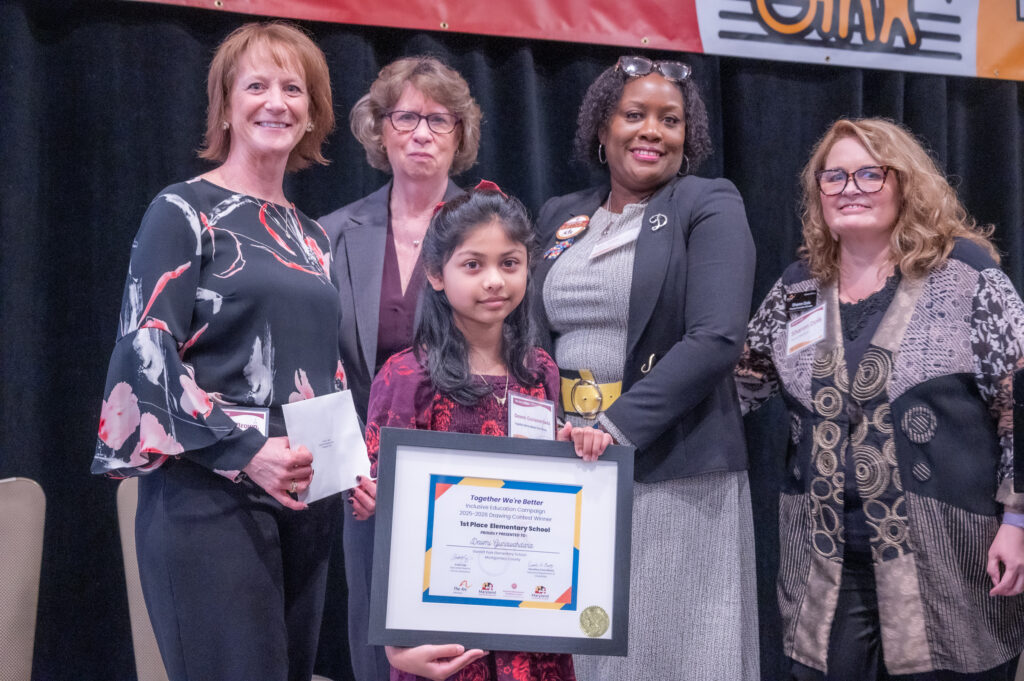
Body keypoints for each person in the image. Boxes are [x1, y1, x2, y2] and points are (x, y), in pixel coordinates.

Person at [92, 22, 342, 681]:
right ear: (226, 106)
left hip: (305, 500)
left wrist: (353, 463)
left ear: (312, 109)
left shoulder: (313, 236)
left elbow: (322, 367)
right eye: (256, 85)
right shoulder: (182, 209)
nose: (276, 102)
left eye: (293, 88)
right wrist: (246, 453)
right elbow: (146, 357)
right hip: (208, 496)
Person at [735, 118, 1024, 680]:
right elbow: (738, 392)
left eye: (870, 173)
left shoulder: (967, 277)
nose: (850, 188)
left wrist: (1019, 521)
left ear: (905, 184)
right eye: (834, 177)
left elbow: (1020, 402)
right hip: (825, 563)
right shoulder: (796, 290)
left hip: (951, 565)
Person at [532, 56, 760, 681]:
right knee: (581, 653)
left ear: (690, 138)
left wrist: (616, 427)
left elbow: (716, 337)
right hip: (567, 462)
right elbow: (530, 334)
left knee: (667, 653)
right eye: (634, 115)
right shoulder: (559, 215)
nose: (651, 131)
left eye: (670, 119)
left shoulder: (707, 201)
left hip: (670, 468)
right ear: (601, 130)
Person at [354, 183, 612, 681]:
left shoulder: (540, 371)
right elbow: (385, 524)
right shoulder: (407, 376)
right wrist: (396, 643)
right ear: (435, 274)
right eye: (473, 265)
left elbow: (550, 494)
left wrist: (577, 448)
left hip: (530, 625)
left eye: (509, 264)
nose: (494, 281)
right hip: (441, 635)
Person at [319, 55, 482, 681]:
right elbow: (315, 371)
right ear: (379, 131)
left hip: (474, 480)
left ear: (460, 134)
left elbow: (520, 357)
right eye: (406, 117)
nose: (421, 133)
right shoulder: (333, 234)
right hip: (368, 488)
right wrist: (348, 473)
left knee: (469, 650)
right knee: (374, 647)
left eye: (438, 120)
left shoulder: (496, 228)